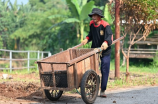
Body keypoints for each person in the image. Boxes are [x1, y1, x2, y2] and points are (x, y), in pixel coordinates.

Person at [81, 8, 113, 98]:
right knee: (92, 70)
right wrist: (86, 39)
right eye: (92, 15)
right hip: (94, 50)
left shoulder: (106, 25)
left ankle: (102, 90)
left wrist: (106, 43)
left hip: (105, 51)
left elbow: (109, 36)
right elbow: (91, 34)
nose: (93, 17)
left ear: (99, 17)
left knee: (104, 70)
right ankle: (93, 88)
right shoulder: (91, 24)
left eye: (95, 15)